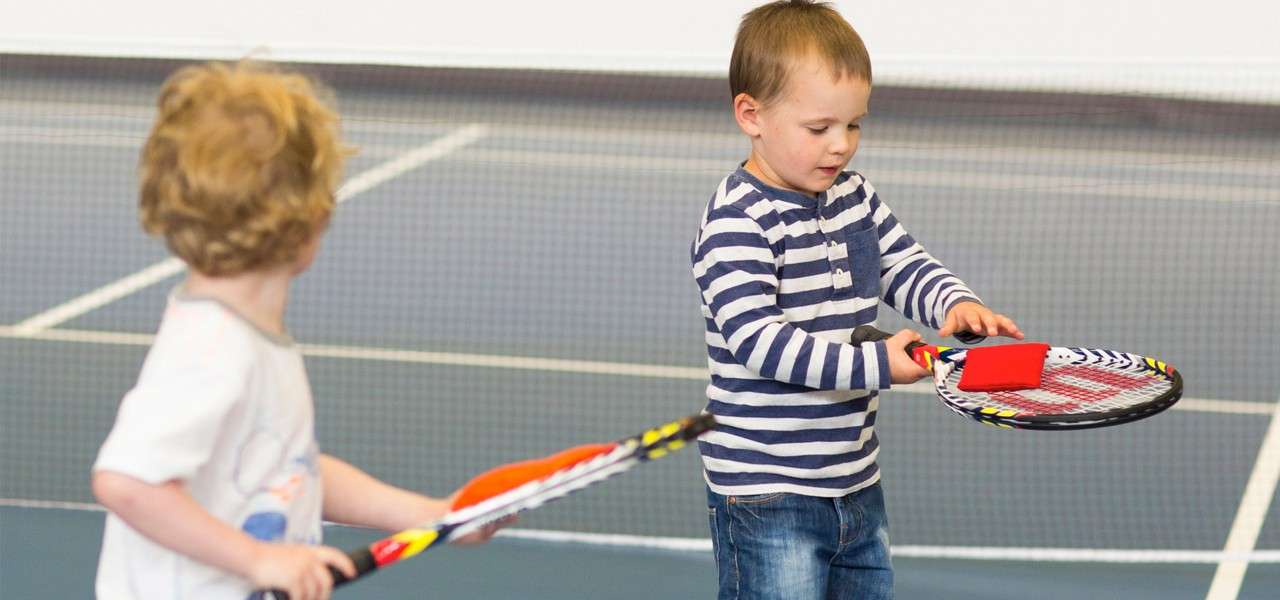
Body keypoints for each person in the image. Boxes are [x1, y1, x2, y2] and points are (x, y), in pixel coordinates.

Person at [91, 61, 502, 600]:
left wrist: (435, 515)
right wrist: (258, 558)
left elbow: (286, 471)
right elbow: (127, 481)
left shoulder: (248, 337)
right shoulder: (213, 352)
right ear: (313, 218)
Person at [690, 2, 1023, 598]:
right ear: (751, 115)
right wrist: (879, 366)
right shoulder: (737, 222)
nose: (841, 145)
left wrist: (951, 305)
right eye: (819, 128)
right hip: (768, 489)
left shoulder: (854, 196)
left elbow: (900, 262)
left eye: (854, 124)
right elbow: (762, 344)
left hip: (853, 476)